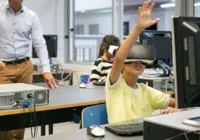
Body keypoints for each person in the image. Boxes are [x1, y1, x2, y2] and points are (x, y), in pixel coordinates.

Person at [105, 0, 178, 124]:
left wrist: (177, 109)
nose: (138, 63)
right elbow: (119, 59)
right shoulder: (115, 87)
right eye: (133, 60)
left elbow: (176, 102)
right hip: (119, 135)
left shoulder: (146, 91)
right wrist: (139, 28)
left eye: (142, 61)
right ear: (123, 66)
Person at [0, 0, 58, 139]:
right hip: (3, 69)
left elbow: (40, 43)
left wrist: (47, 70)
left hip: (25, 68)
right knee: (4, 112)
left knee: (23, 111)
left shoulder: (31, 16)